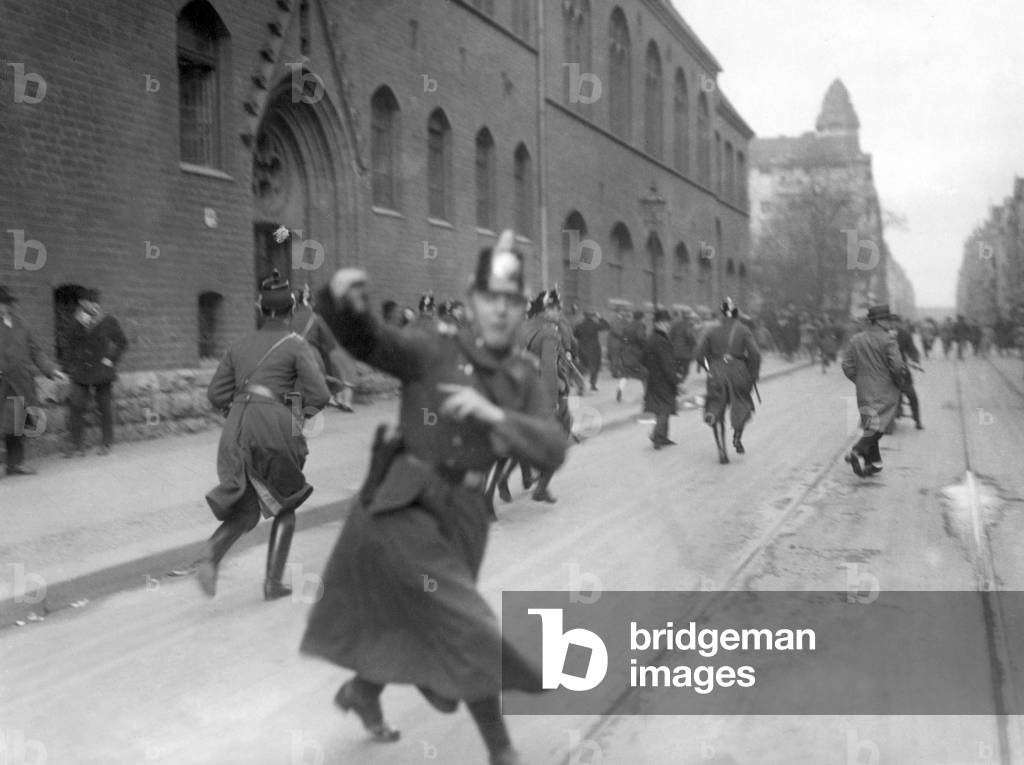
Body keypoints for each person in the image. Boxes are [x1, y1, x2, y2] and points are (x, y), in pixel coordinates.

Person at [300, 231, 567, 765]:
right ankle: (502, 751)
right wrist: (342, 301)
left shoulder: (521, 377)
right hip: (405, 506)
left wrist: (494, 416)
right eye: (489, 298)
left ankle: (363, 692)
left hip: (467, 518)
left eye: (511, 302)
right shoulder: (434, 347)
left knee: (422, 617)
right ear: (471, 300)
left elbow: (553, 447)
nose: (499, 310)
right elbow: (373, 342)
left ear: (520, 310)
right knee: (466, 624)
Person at [198, 271, 330, 600]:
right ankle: (272, 584)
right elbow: (320, 394)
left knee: (245, 509)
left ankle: (211, 556)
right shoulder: (296, 345)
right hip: (274, 427)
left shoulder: (239, 345)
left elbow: (215, 395)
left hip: (236, 429)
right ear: (289, 311)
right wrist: (294, 417)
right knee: (287, 501)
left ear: (261, 310)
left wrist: (238, 413)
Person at [0, 286, 68, 475]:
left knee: (17, 426)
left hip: (21, 383)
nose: (2, 307)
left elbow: (35, 351)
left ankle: (16, 464)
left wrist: (52, 370)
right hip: (2, 384)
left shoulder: (21, 325)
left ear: (9, 305)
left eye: (4, 303)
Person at [59, 289, 128, 457]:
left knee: (104, 406)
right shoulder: (75, 322)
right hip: (81, 372)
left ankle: (106, 443)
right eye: (92, 303)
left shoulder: (108, 321)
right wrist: (69, 367)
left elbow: (122, 342)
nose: (96, 306)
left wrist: (111, 358)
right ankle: (77, 446)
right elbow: (67, 346)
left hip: (102, 371)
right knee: (76, 405)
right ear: (83, 304)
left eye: (97, 303)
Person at [841, 304, 907, 477]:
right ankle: (856, 451)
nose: (889, 323)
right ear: (878, 321)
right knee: (879, 426)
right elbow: (897, 366)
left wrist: (859, 380)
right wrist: (898, 381)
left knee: (871, 423)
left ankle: (874, 464)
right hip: (885, 388)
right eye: (887, 320)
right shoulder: (889, 339)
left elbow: (846, 364)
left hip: (863, 389)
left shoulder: (856, 339)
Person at [696, 298, 761, 464]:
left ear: (721, 315)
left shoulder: (711, 331)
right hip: (738, 371)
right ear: (737, 314)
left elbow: (699, 355)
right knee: (742, 405)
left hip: (717, 372)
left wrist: (709, 368)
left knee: (716, 407)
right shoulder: (744, 330)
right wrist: (752, 374)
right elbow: (755, 355)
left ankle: (722, 451)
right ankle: (737, 436)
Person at [292, 283, 357, 413]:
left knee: (294, 388)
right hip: (310, 353)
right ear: (310, 302)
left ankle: (292, 421)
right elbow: (329, 343)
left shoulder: (289, 318)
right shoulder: (316, 318)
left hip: (289, 353)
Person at [642, 309, 678, 449]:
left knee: (661, 408)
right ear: (657, 324)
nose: (667, 325)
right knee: (665, 408)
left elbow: (643, 359)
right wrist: (675, 380)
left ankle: (662, 436)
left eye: (667, 322)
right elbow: (667, 364)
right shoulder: (662, 341)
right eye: (664, 323)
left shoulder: (651, 338)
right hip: (663, 380)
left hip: (652, 378)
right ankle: (658, 437)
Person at [892, 315, 923, 430]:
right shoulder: (880, 334)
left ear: (899, 323)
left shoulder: (904, 334)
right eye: (890, 322)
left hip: (900, 369)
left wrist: (915, 360)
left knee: (911, 395)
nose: (893, 325)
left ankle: (917, 420)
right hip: (882, 370)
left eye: (896, 322)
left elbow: (912, 349)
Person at [573, 310, 607, 392]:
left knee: (581, 367)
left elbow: (575, 335)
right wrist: (600, 318)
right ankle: (593, 384)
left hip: (582, 349)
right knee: (594, 367)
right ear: (592, 317)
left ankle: (580, 385)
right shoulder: (595, 325)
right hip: (594, 349)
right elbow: (606, 326)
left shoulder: (579, 325)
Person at [618, 310, 647, 402]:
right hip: (636, 353)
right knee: (645, 374)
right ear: (642, 318)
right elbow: (640, 338)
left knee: (625, 373)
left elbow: (622, 338)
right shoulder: (640, 325)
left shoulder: (628, 325)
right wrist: (645, 346)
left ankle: (620, 389)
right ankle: (647, 394)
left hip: (626, 352)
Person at [669, 310, 698, 389]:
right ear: (689, 317)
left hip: (675, 352)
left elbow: (670, 336)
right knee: (686, 371)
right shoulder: (689, 325)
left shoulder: (675, 325)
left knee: (677, 370)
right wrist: (693, 345)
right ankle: (679, 385)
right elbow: (690, 337)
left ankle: (676, 384)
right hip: (685, 353)